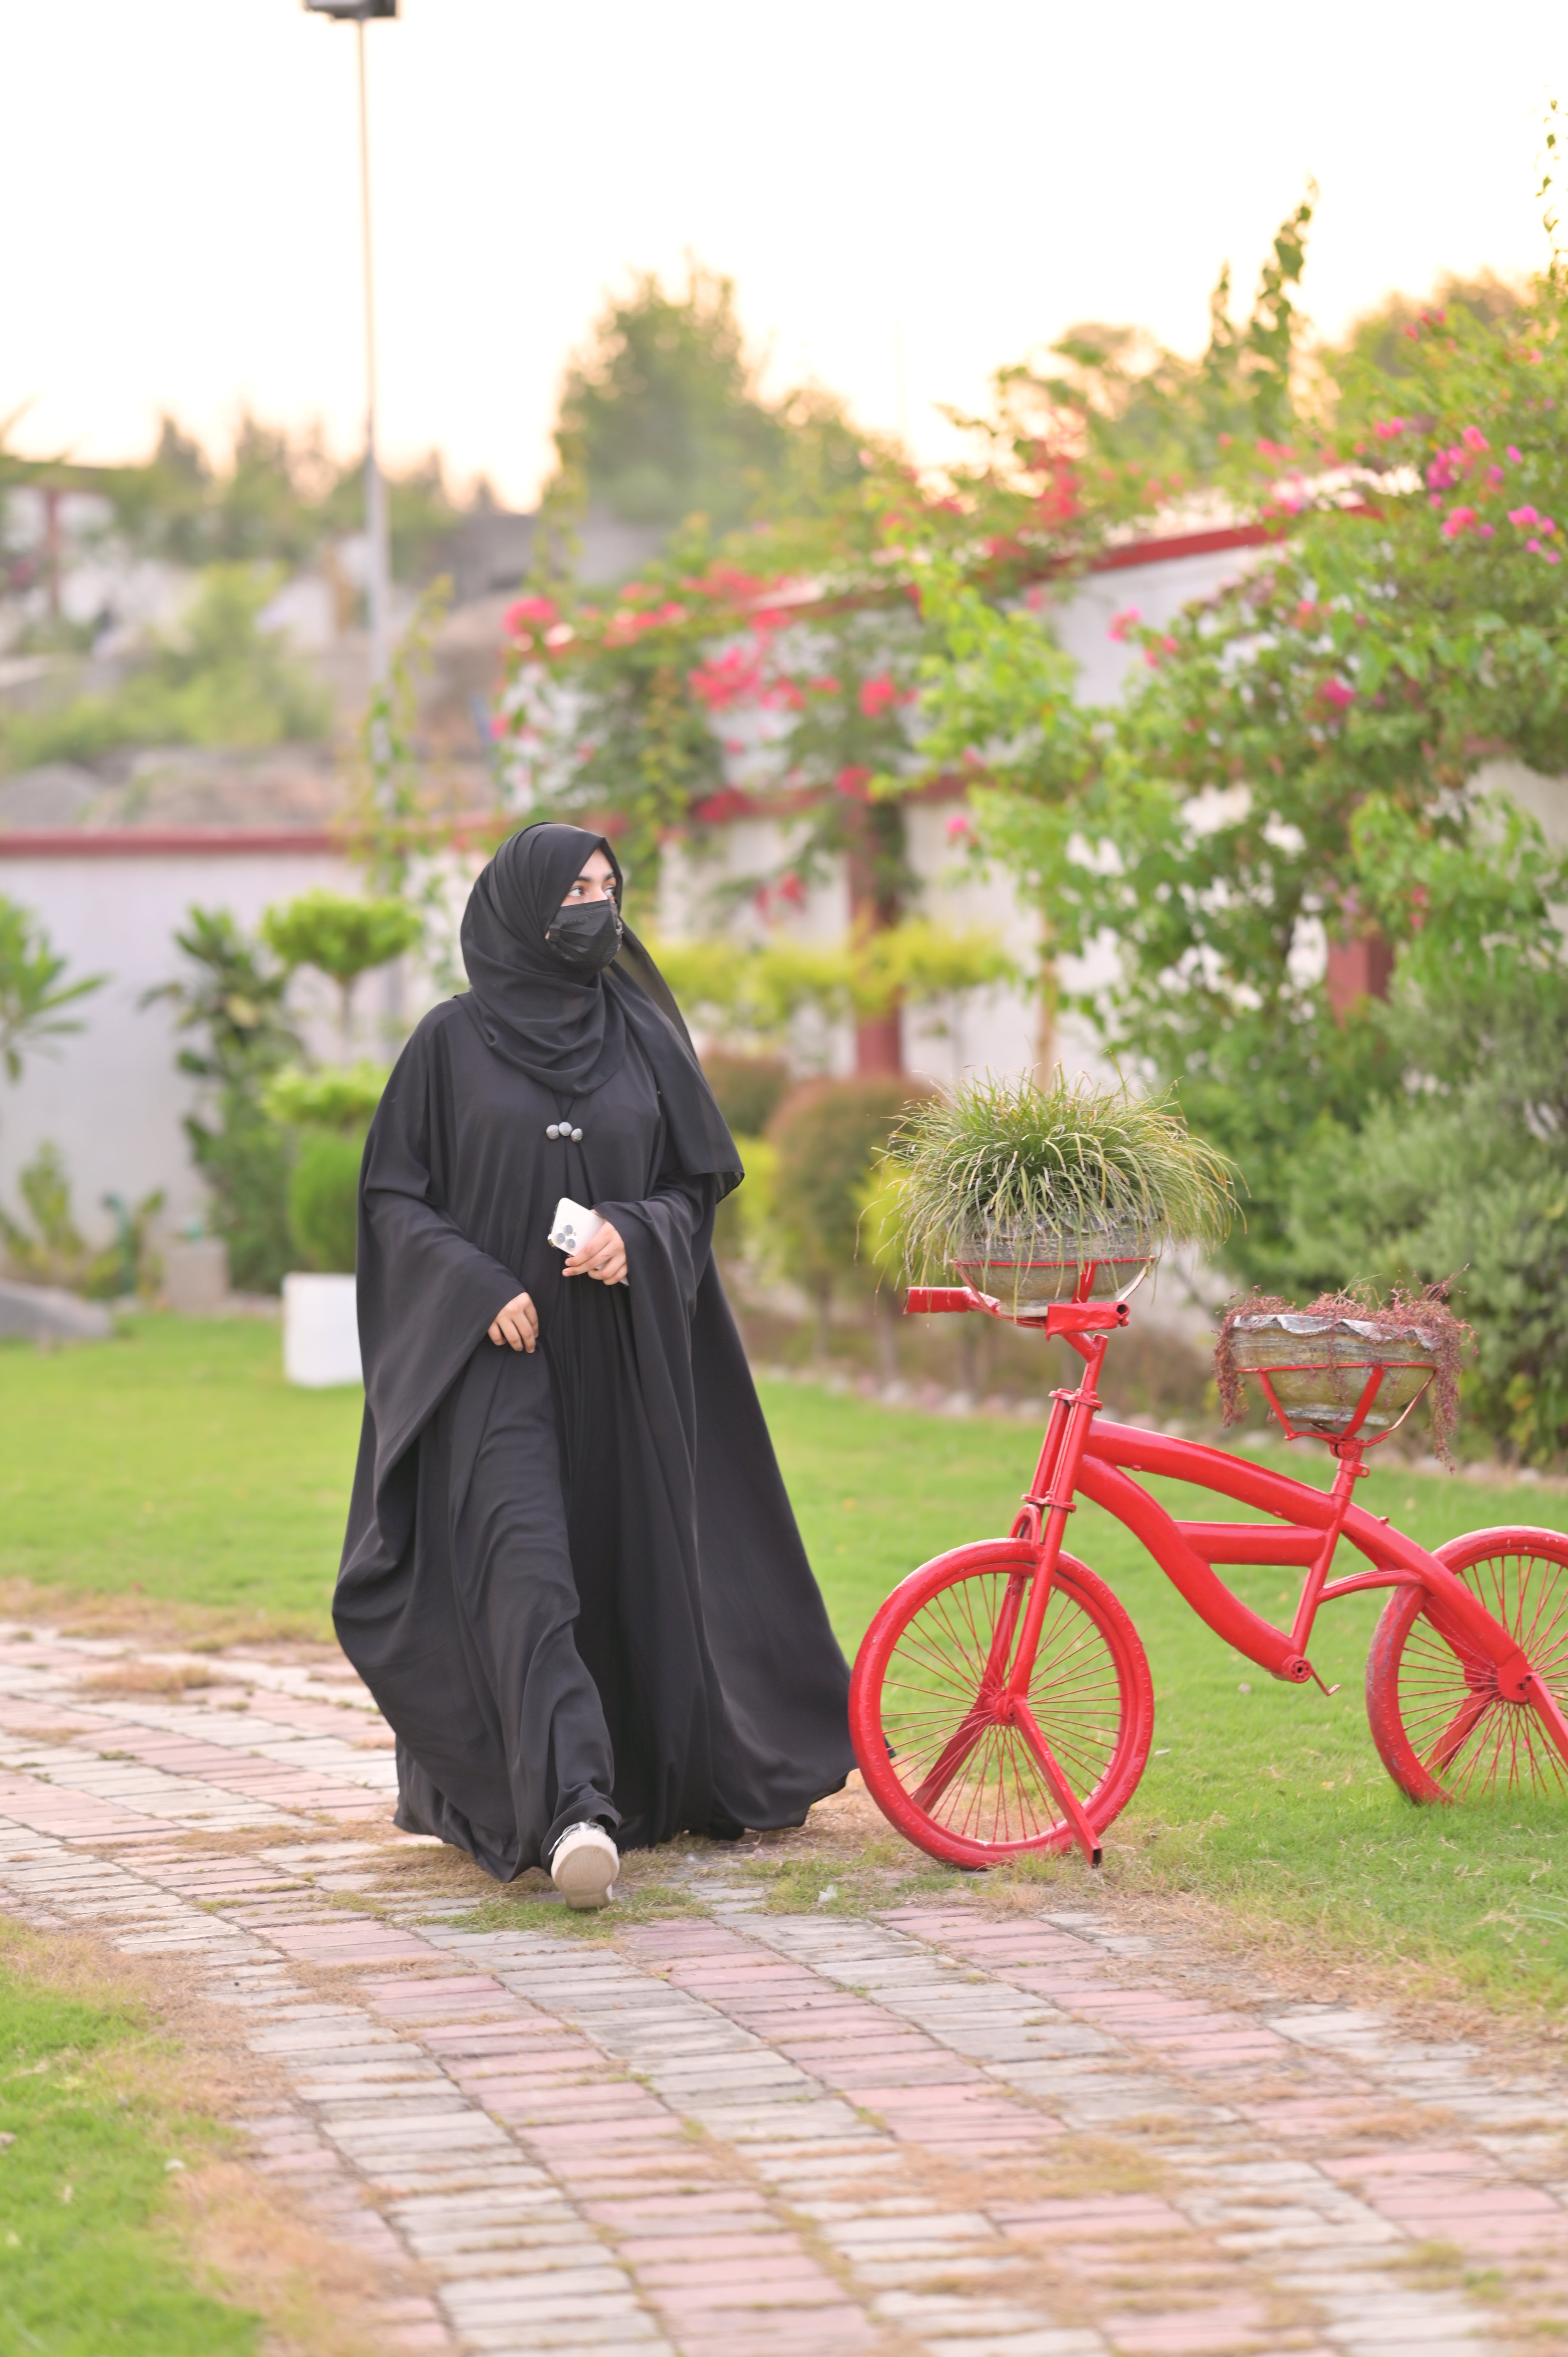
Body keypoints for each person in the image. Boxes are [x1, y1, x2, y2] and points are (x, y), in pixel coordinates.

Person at [334, 821, 855, 1908]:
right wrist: (475, 1288)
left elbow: (693, 1188)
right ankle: (574, 1808)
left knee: (619, 1564)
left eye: (608, 888)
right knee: (526, 1573)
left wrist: (636, 1230)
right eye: (573, 888)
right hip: (495, 1363)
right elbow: (393, 1202)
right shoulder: (446, 1044)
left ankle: (626, 1783)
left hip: (620, 1360)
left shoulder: (644, 1039)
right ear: (521, 905)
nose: (596, 908)